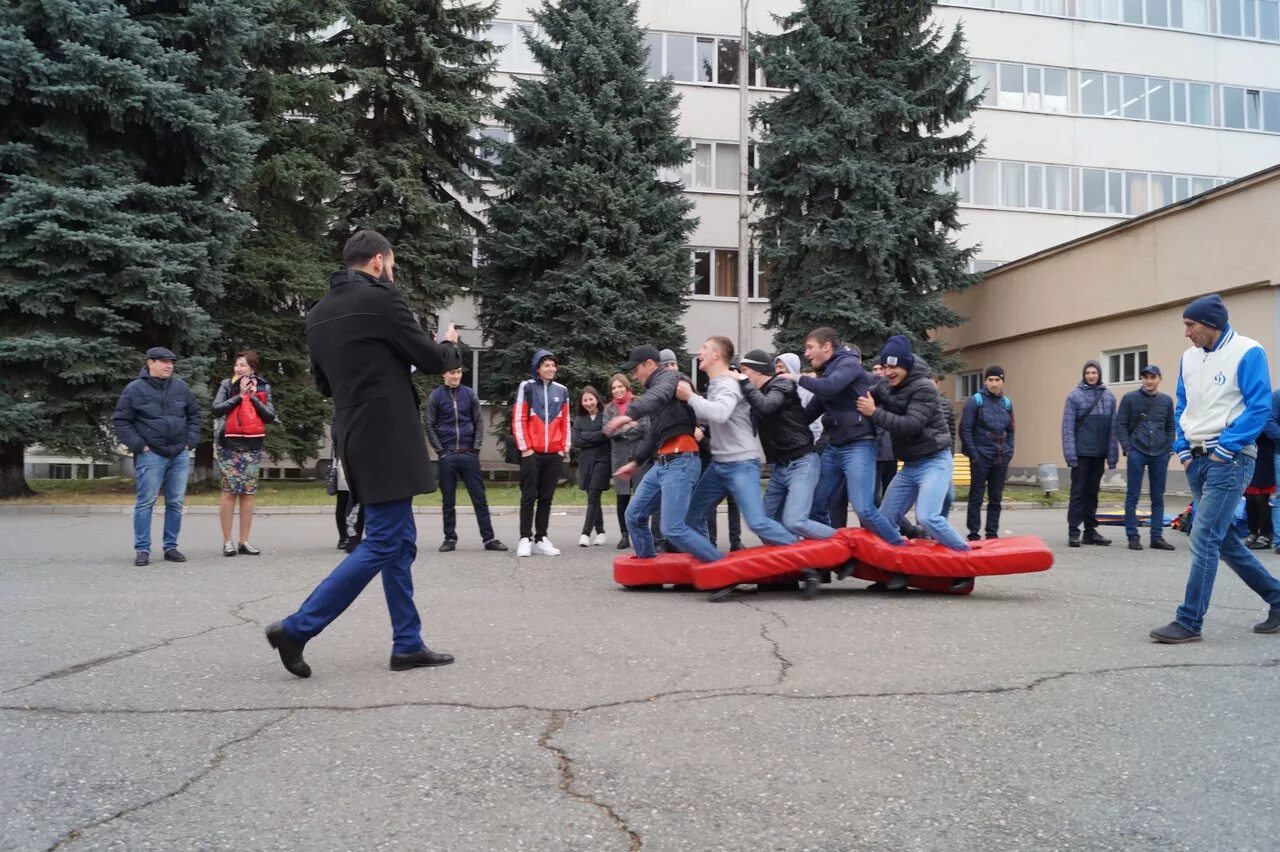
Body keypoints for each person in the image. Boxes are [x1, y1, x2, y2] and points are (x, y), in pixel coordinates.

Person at [265, 230, 462, 678]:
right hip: (388, 432)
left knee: (399, 541)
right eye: (391, 265)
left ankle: (407, 643)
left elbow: (324, 385)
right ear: (378, 262)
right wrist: (448, 341)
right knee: (384, 541)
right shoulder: (382, 300)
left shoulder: (316, 315)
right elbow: (435, 360)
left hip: (353, 432)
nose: (391, 273)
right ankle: (298, 627)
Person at [1150, 294, 1280, 643]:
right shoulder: (1189, 359)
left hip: (1230, 459)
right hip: (1196, 459)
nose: (1186, 332)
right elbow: (1184, 405)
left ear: (1211, 325)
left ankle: (1190, 621)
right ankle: (1278, 598)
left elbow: (1258, 407)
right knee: (1222, 541)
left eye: (1190, 325)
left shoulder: (1248, 351)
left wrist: (1226, 447)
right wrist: (1183, 447)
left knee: (1204, 535)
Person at [780, 328, 902, 545]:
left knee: (864, 508)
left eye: (810, 347)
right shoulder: (828, 371)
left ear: (826, 346)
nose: (806, 354)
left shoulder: (848, 364)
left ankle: (899, 547)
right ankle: (830, 557)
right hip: (835, 447)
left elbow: (830, 387)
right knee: (817, 505)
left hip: (859, 445)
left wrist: (796, 378)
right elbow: (810, 412)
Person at [678, 337, 799, 551]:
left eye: (704, 348)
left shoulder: (728, 383)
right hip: (720, 464)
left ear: (716, 354)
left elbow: (720, 413)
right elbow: (708, 414)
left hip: (741, 464)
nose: (699, 352)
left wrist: (689, 396)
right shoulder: (716, 383)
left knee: (757, 522)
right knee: (690, 518)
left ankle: (804, 555)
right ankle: (711, 563)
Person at [857, 336, 969, 560]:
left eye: (894, 367)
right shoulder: (886, 385)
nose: (889, 372)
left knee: (928, 517)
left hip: (934, 461)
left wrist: (874, 412)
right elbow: (865, 393)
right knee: (884, 520)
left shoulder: (924, 387)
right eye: (886, 367)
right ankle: (896, 567)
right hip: (910, 465)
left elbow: (910, 425)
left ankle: (966, 559)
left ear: (906, 365)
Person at [605, 344, 709, 561]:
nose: (633, 375)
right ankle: (648, 567)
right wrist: (636, 463)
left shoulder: (670, 378)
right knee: (633, 516)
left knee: (672, 527)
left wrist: (629, 414)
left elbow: (659, 395)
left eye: (636, 369)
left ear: (650, 364)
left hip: (682, 460)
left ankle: (714, 564)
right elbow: (654, 433)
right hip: (662, 464)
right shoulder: (657, 392)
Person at [112, 346, 202, 567]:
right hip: (151, 455)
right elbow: (121, 421)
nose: (169, 366)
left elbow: (194, 415)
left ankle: (171, 547)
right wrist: (140, 446)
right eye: (163, 362)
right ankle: (142, 549)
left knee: (175, 502)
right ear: (150, 363)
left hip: (179, 453)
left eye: (171, 362)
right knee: (145, 503)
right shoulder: (134, 389)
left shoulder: (181, 388)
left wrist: (190, 442)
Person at [735, 349, 834, 540]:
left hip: (802, 463)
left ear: (759, 370)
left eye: (745, 370)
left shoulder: (781, 383)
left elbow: (767, 406)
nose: (741, 375)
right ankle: (797, 564)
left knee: (795, 521)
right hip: (780, 467)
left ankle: (847, 546)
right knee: (763, 522)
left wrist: (743, 384)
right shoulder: (755, 393)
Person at [425, 365, 507, 553]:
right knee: (448, 500)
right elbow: (429, 424)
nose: (456, 376)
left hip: (469, 454)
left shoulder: (469, 394)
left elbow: (478, 421)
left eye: (459, 372)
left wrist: (476, 448)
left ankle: (489, 538)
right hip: (448, 455)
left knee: (479, 498)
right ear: (443, 374)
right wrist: (440, 451)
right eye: (452, 372)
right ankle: (449, 538)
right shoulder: (436, 396)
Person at [212, 351, 276, 557]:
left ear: (253, 369)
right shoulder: (226, 385)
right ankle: (227, 541)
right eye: (236, 364)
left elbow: (269, 416)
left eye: (243, 365)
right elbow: (217, 409)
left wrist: (254, 397)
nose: (238, 368)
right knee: (229, 491)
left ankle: (244, 541)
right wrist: (239, 397)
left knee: (248, 493)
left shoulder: (264, 387)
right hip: (228, 444)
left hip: (252, 445)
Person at [512, 350, 570, 557]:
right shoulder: (526, 387)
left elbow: (565, 421)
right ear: (538, 368)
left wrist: (564, 448)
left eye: (553, 365)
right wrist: (525, 447)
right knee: (529, 496)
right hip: (532, 453)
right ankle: (525, 538)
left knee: (547, 496)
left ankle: (541, 538)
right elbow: (519, 417)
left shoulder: (562, 390)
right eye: (546, 365)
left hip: (554, 453)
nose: (551, 368)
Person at [1114, 364, 1176, 552]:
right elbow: (1121, 424)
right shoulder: (1129, 398)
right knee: (1132, 495)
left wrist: (1169, 447)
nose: (1149, 381)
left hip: (1160, 454)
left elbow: (1171, 425)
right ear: (1142, 379)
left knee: (1158, 496)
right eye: (1146, 377)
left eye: (1153, 377)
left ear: (1159, 379)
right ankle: (1133, 536)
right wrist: (1128, 448)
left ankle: (1156, 537)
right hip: (1137, 452)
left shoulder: (1166, 401)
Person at [1062, 359, 1119, 547]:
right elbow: (1068, 428)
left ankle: (1090, 531)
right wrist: (1070, 455)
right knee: (1078, 492)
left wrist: (1112, 456)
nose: (1091, 376)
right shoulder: (1074, 396)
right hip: (1080, 453)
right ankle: (1073, 531)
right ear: (1084, 375)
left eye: (1094, 373)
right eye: (1088, 373)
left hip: (1099, 454)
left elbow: (1113, 429)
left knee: (1092, 493)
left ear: (1099, 374)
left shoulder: (1109, 397)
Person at [959, 365, 1015, 542]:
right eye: (990, 380)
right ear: (985, 381)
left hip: (1001, 456)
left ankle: (992, 534)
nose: (994, 383)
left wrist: (1009, 450)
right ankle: (973, 534)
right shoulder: (975, 401)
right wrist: (974, 455)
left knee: (995, 498)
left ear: (1002, 382)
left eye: (997, 380)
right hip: (981, 457)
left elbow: (1011, 430)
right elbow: (965, 429)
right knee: (976, 496)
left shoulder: (1007, 403)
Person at [603, 373, 641, 550]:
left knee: (640, 497)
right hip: (619, 457)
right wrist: (628, 426)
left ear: (626, 387)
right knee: (622, 498)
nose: (617, 390)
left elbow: (644, 427)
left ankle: (639, 534)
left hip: (639, 456)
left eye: (620, 387)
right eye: (614, 388)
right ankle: (624, 535)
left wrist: (620, 427)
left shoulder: (638, 402)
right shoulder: (608, 408)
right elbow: (608, 430)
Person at [571, 386, 611, 547]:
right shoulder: (579, 420)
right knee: (593, 497)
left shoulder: (605, 415)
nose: (588, 403)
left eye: (591, 399)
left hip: (602, 460)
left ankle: (585, 533)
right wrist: (597, 436)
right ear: (581, 403)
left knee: (594, 495)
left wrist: (587, 436)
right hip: (586, 462)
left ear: (597, 399)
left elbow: (606, 433)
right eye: (585, 400)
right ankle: (601, 532)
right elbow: (577, 442)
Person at [1244, 435, 1276, 550]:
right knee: (1250, 497)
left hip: (1266, 451)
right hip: (1250, 450)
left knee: (1262, 497)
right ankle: (1252, 532)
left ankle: (1265, 535)